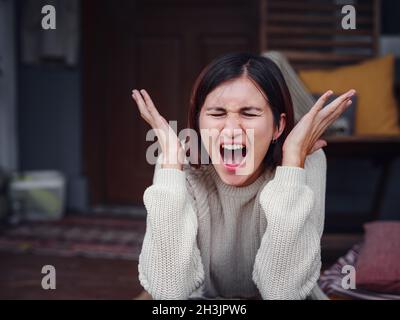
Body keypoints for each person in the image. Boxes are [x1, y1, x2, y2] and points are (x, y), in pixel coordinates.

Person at [132, 52, 355, 300]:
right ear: (198, 121)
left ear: (278, 126)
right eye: (217, 114)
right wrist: (170, 163)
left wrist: (292, 162)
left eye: (249, 114)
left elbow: (284, 292)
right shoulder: (174, 161)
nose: (231, 130)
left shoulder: (306, 158)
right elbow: (168, 291)